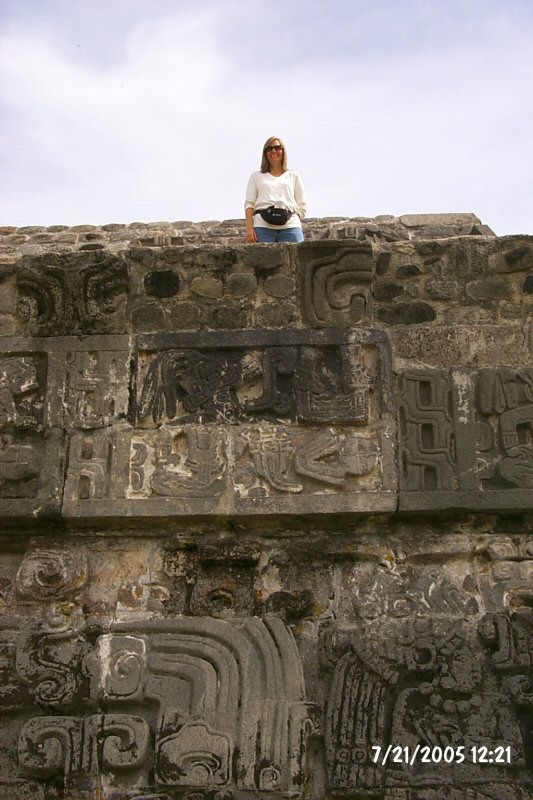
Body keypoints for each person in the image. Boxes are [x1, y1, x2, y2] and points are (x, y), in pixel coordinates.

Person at [244, 136, 307, 243]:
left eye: (277, 148)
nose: (273, 151)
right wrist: (249, 230)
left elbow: (302, 204)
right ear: (265, 153)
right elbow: (249, 204)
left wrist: (290, 217)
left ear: (283, 151)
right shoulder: (256, 176)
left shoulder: (294, 176)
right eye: (269, 148)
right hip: (262, 228)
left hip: (290, 227)